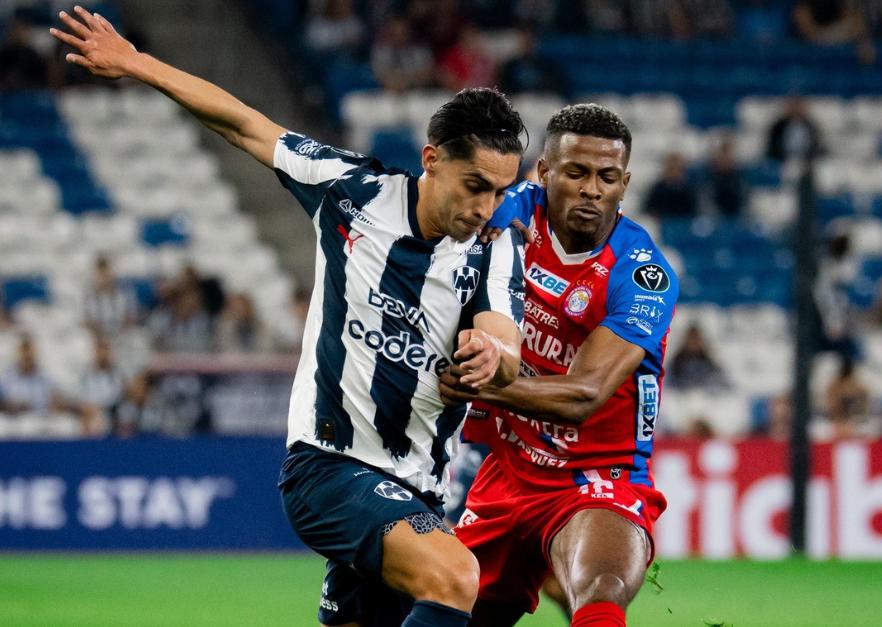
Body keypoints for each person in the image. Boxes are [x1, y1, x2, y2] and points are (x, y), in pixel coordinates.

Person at [53, 7, 526, 626]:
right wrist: (138, 64)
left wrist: (494, 358)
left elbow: (504, 343)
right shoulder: (351, 191)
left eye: (500, 191)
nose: (487, 207)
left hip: (420, 490)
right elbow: (244, 124)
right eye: (475, 185)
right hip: (329, 466)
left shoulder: (495, 250)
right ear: (432, 158)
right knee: (456, 576)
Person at [441, 104, 680, 627]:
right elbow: (442, 214)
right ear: (545, 172)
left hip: (596, 477)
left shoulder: (642, 275)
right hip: (507, 471)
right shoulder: (509, 211)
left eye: (607, 177)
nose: (592, 189)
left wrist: (478, 385)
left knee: (600, 589)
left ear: (624, 184)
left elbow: (584, 395)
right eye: (577, 173)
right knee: (444, 611)